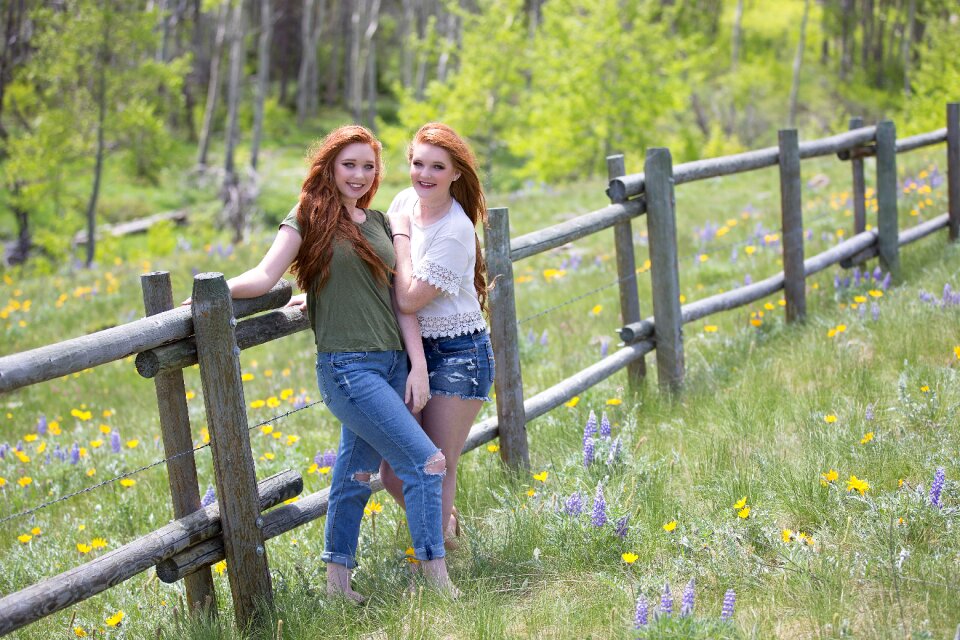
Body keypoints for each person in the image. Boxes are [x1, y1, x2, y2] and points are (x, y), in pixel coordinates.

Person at [207, 125, 455, 601]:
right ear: (329, 166)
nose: (359, 175)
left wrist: (418, 367)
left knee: (355, 477)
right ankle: (437, 579)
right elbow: (263, 276)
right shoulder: (307, 217)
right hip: (348, 369)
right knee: (428, 462)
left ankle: (337, 585)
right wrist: (205, 295)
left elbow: (400, 301)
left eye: (368, 166)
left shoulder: (379, 222)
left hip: (393, 365)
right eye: (349, 164)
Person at [379, 122, 495, 550]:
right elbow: (383, 273)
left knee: (435, 467)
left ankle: (435, 565)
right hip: (413, 352)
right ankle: (446, 530)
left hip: (460, 354)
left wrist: (403, 239)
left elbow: (407, 297)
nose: (423, 175)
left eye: (437, 167)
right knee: (393, 472)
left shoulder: (456, 230)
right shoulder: (403, 200)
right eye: (417, 163)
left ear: (455, 174)